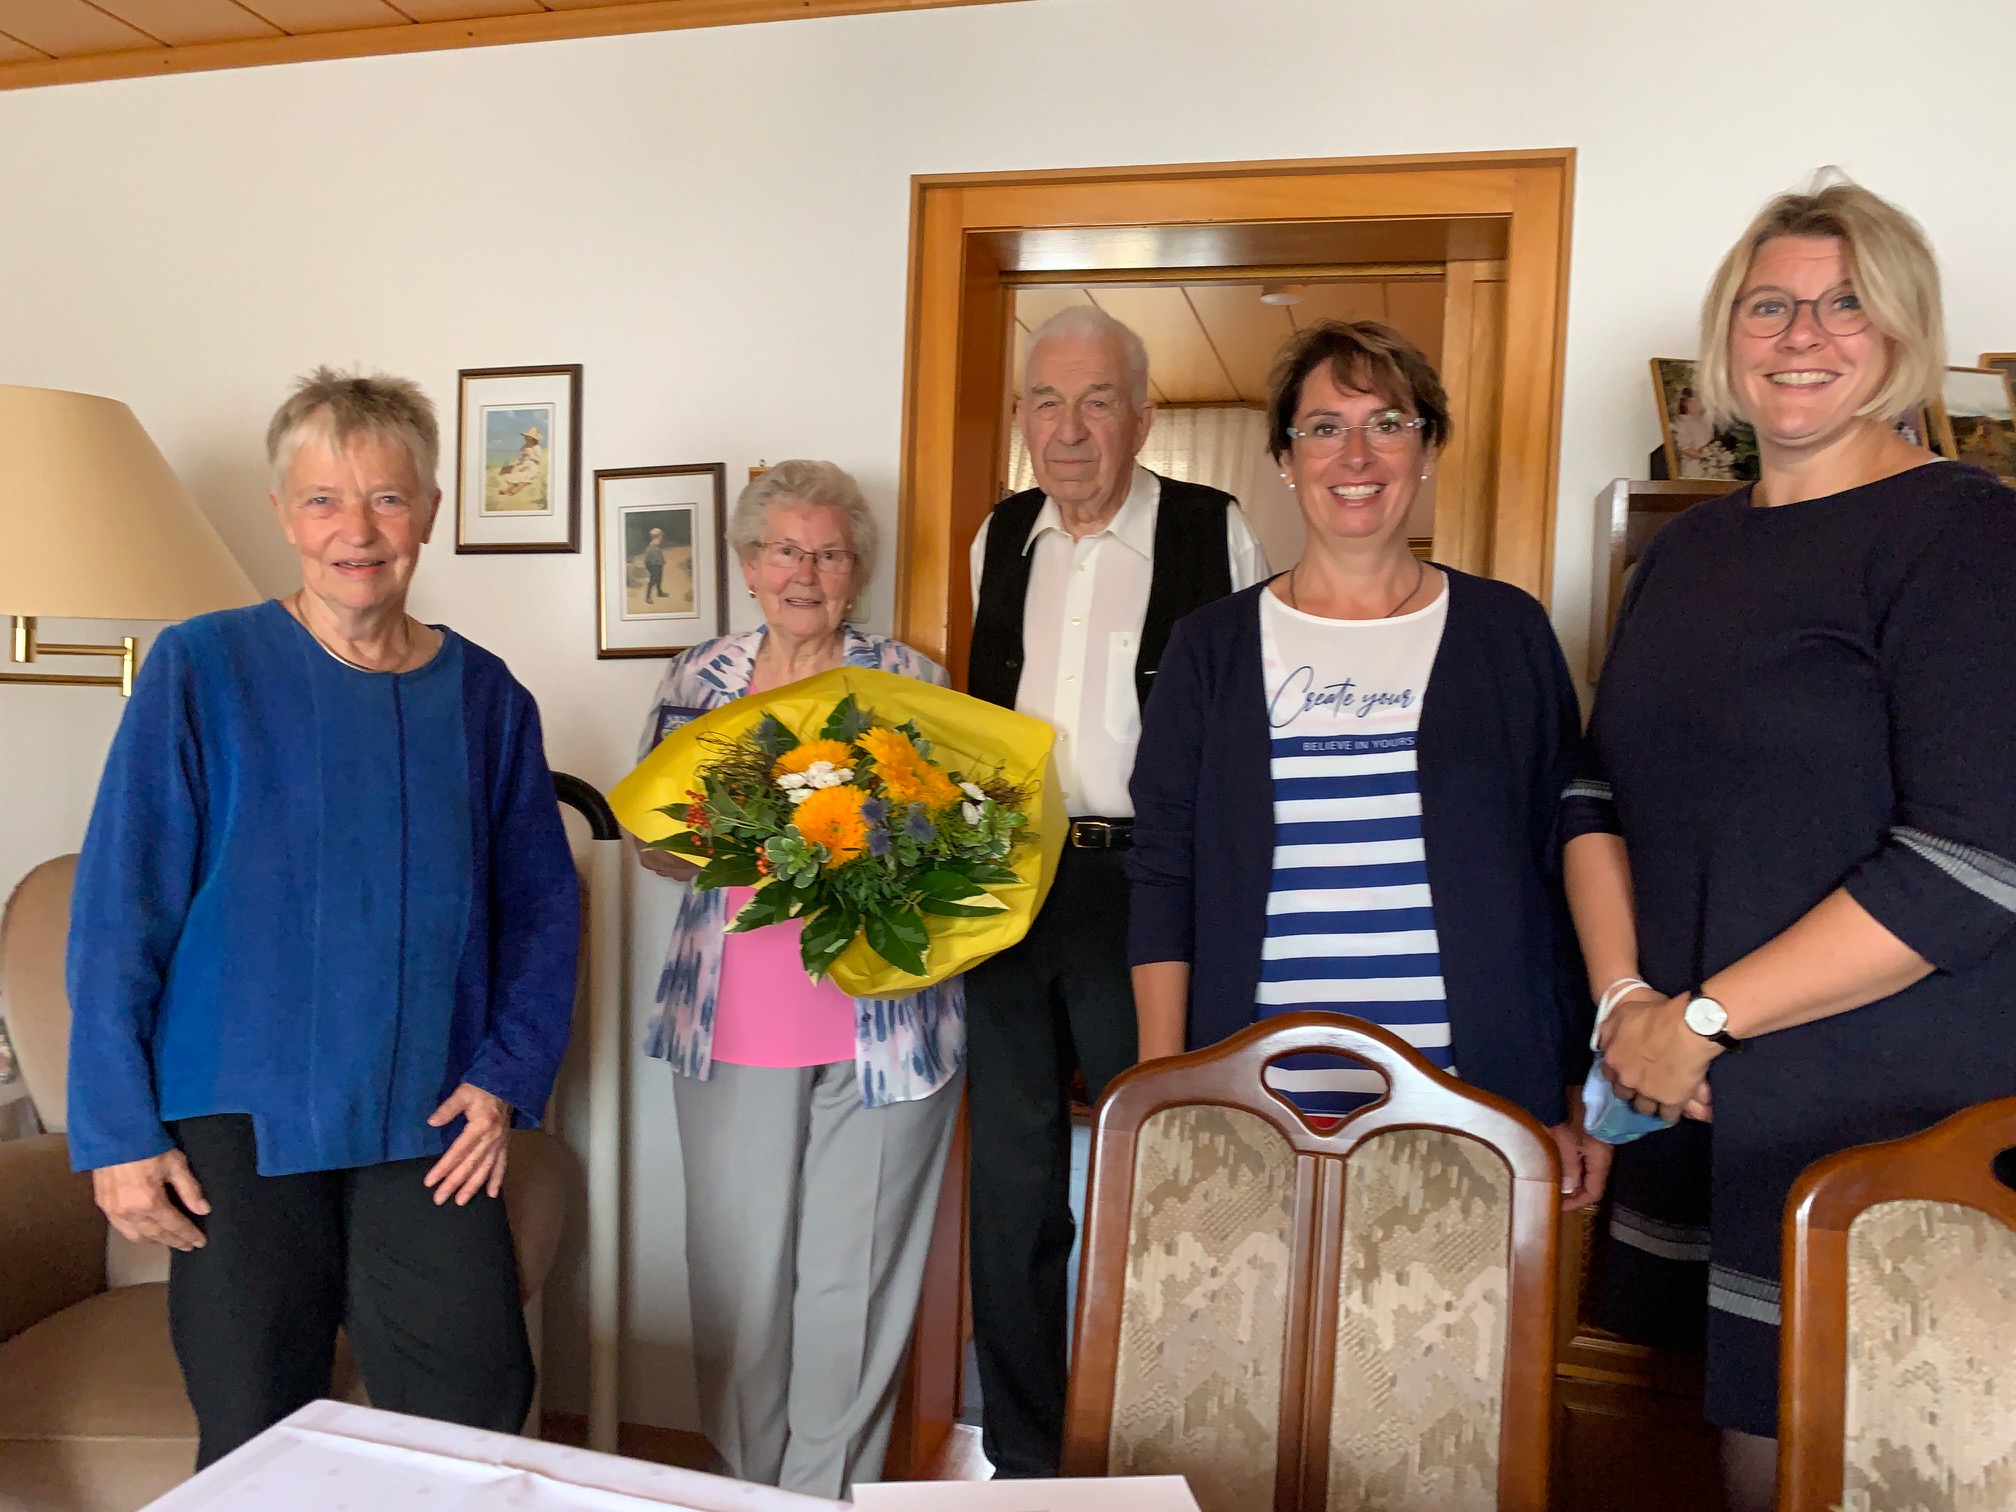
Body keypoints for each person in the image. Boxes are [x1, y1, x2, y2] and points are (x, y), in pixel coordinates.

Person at [1563, 178, 2016, 1512]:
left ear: (1904, 333)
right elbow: (1592, 798)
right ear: (1728, 331)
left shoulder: (1970, 535)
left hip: (1880, 1114)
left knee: (1850, 1462)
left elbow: (1972, 864)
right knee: (1736, 1452)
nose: (1802, 333)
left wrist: (1700, 1016)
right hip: (1692, 1095)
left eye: (1846, 304)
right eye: (1771, 303)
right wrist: (1625, 1005)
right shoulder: (1687, 554)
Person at [66, 368, 579, 1468]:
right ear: (281, 516)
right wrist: (117, 1131)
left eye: (388, 498)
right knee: (256, 1427)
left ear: (432, 511)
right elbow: (121, 907)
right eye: (323, 500)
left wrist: (504, 1076)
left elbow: (542, 911)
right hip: (236, 1122)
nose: (357, 529)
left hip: (429, 1114)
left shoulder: (488, 698)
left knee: (477, 1408)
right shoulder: (201, 669)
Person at [1128, 319, 1603, 1185]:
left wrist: (1571, 1087)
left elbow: (1558, 862)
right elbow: (1165, 874)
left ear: (1426, 448)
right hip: (1252, 1098)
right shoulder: (1210, 647)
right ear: (1284, 456)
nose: (1357, 454)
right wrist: (1164, 1091)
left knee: (1455, 1321)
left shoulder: (1507, 633)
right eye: (1324, 428)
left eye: (1388, 423)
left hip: (1474, 1096)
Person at [963, 304, 1269, 1478]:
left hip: (1145, 883)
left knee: (1161, 1159)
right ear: (1024, 419)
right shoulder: (1001, 535)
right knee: (1014, 1183)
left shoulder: (1214, 527)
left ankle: (1155, 1442)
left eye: (1098, 401)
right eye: (1047, 401)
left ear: (1144, 416)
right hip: (1005, 883)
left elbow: (1245, 740)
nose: (1071, 428)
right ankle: (1027, 1460)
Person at [635, 459, 963, 1499]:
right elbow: (652, 837)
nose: (806, 571)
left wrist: (867, 844)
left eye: (828, 552)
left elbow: (957, 846)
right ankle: (746, 1484)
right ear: (747, 564)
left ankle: (825, 1496)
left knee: (850, 1285)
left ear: (857, 567)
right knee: (740, 1281)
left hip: (884, 1025)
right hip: (730, 1017)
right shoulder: (699, 679)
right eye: (786, 549)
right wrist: (749, 843)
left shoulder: (914, 679)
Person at [642, 525, 668, 603]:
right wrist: (650, 567)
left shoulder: (657, 547)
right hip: (653, 566)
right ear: (655, 538)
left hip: (659, 565)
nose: (661, 539)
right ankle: (648, 597)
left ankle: (659, 592)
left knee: (659, 579)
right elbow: (647, 559)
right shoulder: (650, 548)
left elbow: (660, 556)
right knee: (653, 581)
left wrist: (662, 563)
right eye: (660, 537)